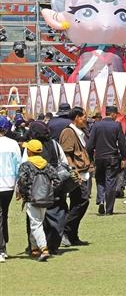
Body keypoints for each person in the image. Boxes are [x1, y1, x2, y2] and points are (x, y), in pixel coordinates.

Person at [25, 120, 69, 254]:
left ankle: (35, 247)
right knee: (57, 215)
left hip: (35, 190)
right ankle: (53, 245)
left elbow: (23, 167)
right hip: (55, 186)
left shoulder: (30, 148)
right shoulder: (55, 144)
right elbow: (64, 163)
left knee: (35, 219)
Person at [16, 139, 61, 261]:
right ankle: (34, 248)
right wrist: (48, 191)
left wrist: (25, 194)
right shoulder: (47, 165)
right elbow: (57, 180)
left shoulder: (25, 165)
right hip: (45, 199)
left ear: (30, 152)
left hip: (32, 199)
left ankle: (43, 249)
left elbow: (22, 182)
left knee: (36, 224)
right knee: (36, 221)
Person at [58, 106, 92, 247]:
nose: (86, 119)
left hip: (83, 172)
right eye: (84, 117)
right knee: (82, 201)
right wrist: (73, 171)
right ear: (77, 117)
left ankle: (73, 235)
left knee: (79, 202)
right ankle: (65, 231)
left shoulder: (81, 132)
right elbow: (66, 154)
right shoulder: (68, 132)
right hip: (76, 174)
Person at [86, 105, 126, 215]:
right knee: (111, 182)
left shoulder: (96, 125)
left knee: (100, 180)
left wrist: (91, 158)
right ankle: (109, 209)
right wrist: (123, 157)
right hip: (112, 157)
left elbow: (89, 145)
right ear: (113, 114)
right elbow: (122, 143)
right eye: (116, 115)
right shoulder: (116, 125)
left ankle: (101, 200)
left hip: (99, 157)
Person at [0, 116, 21, 262]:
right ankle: (3, 245)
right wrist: (19, 186)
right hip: (9, 184)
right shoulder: (13, 144)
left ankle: (1, 248)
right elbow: (18, 165)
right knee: (4, 214)